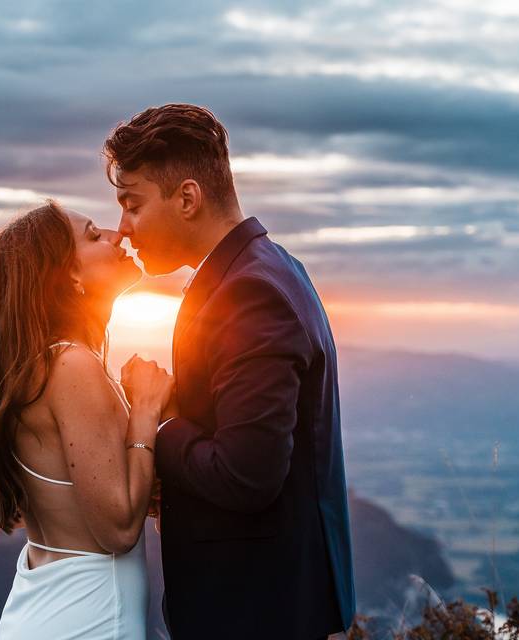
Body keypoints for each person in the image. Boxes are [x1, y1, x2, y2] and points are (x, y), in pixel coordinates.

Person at [106, 103, 357, 639]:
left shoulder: (249, 293)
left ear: (188, 197)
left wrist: (158, 421)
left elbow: (247, 476)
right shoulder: (269, 269)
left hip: (259, 611)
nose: (122, 228)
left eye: (132, 204)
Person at [0, 199, 173, 639]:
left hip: (48, 610)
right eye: (94, 235)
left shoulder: (46, 366)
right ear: (70, 275)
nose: (117, 235)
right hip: (87, 619)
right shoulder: (72, 366)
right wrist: (146, 408)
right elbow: (118, 528)